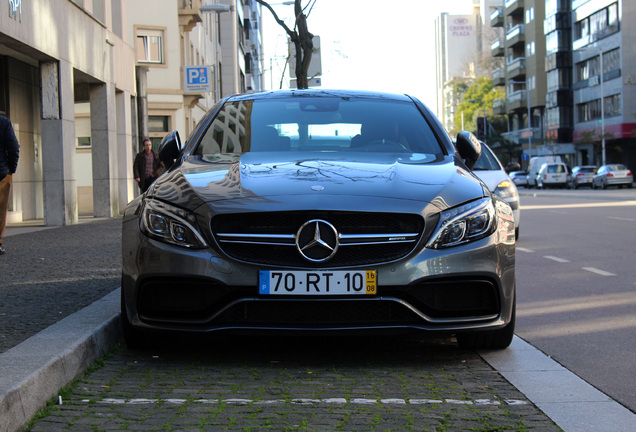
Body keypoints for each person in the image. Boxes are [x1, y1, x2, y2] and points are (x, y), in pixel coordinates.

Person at [0, 113, 20, 255]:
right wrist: (11, 169)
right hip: (1, 173)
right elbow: (13, 148)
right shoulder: (4, 122)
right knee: (0, 210)